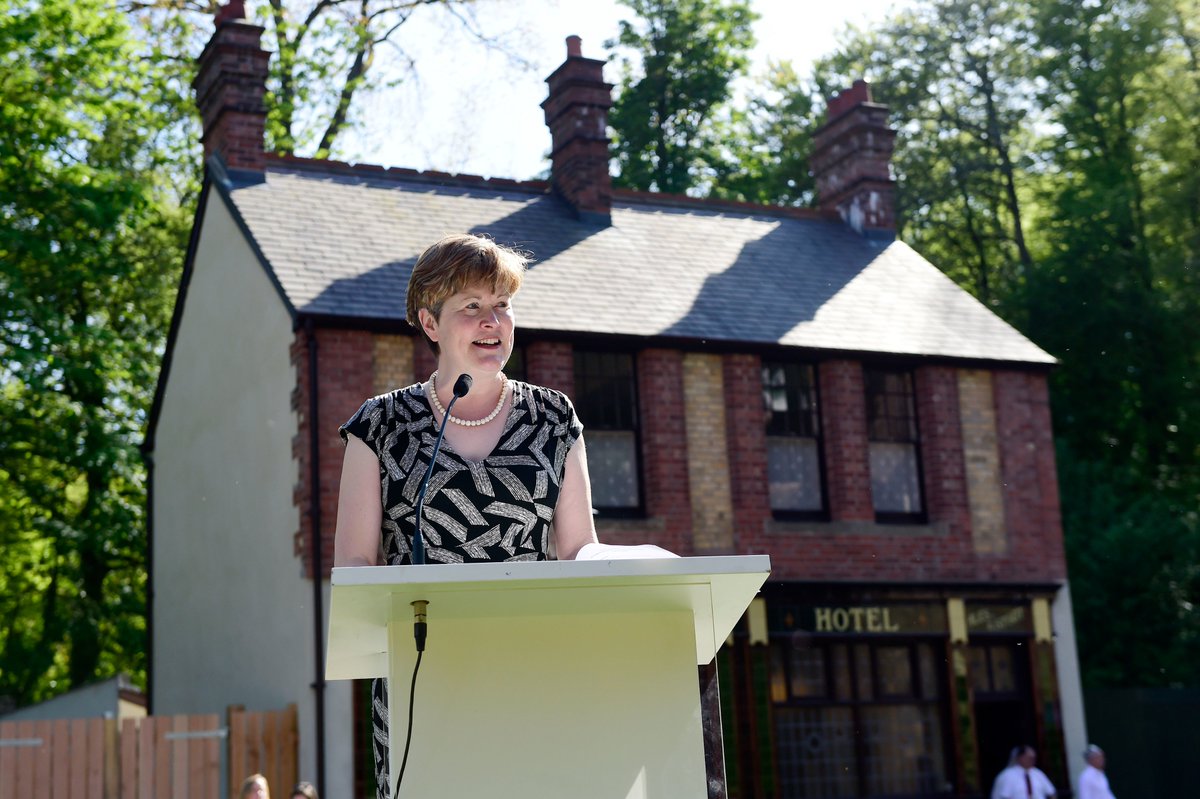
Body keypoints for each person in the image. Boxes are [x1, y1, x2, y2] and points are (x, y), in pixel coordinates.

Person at [334, 233, 598, 799]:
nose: (491, 321)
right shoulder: (378, 426)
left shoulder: (554, 418)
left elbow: (579, 552)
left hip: (532, 675)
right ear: (430, 324)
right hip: (419, 681)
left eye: (502, 305)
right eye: (471, 306)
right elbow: (355, 566)